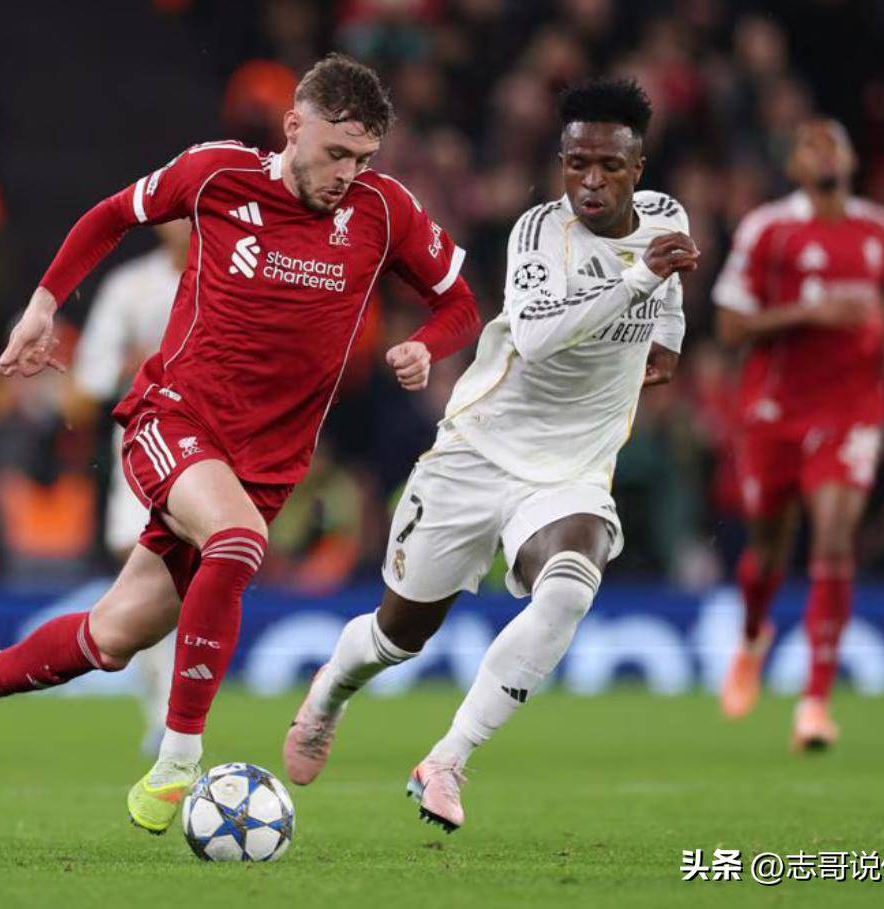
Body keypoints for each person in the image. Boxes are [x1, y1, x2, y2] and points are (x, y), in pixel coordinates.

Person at [0, 53, 482, 836]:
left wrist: (426, 344)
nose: (347, 174)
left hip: (266, 465)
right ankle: (180, 758)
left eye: (362, 157)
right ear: (293, 127)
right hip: (172, 418)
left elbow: (460, 304)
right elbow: (110, 216)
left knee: (112, 636)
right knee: (238, 539)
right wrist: (43, 307)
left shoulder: (383, 210)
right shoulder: (217, 174)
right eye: (334, 153)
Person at [282, 79, 697, 832]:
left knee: (568, 590)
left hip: (571, 469)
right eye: (575, 164)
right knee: (397, 636)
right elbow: (535, 338)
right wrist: (640, 277)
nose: (590, 182)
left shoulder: (667, 216)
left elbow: (669, 290)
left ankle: (447, 759)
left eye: (608, 166)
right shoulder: (539, 233)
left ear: (637, 169)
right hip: (478, 452)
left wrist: (665, 339)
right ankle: (328, 695)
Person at [713, 119, 884, 750]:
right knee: (769, 546)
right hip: (776, 410)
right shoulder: (767, 229)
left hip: (851, 409)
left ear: (850, 159)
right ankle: (752, 638)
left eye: (834, 142)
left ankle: (815, 704)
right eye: (810, 144)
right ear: (793, 166)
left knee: (833, 536)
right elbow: (730, 328)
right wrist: (809, 312)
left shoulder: (882, 230)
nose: (824, 151)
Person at [70, 219, 191, 756]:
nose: (187, 224)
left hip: (209, 442)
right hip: (142, 439)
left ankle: (176, 712)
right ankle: (165, 711)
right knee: (141, 562)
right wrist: (135, 364)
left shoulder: (232, 274)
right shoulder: (130, 287)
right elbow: (88, 381)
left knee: (190, 569)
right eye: (178, 214)